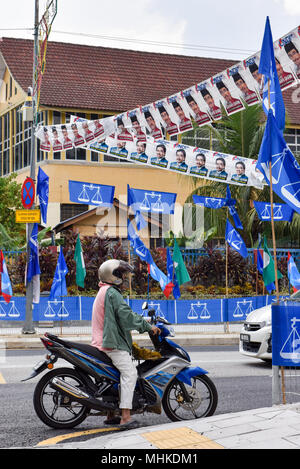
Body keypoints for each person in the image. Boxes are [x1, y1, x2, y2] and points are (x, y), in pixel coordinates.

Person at [91, 259, 160, 429]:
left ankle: (111, 414)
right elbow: (126, 316)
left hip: (102, 341)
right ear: (112, 275)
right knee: (130, 374)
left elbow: (121, 316)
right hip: (110, 343)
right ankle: (126, 417)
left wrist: (143, 322)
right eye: (120, 274)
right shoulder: (112, 293)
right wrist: (147, 327)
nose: (124, 277)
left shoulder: (104, 291)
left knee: (114, 376)